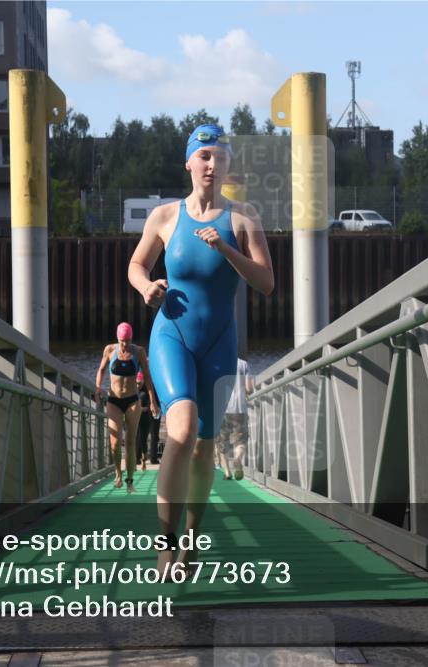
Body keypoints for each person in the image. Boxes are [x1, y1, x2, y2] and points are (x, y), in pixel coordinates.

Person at [128, 124, 274, 574]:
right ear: (188, 162)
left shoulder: (243, 217)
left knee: (204, 445)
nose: (212, 165)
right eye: (204, 156)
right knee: (182, 428)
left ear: (228, 166)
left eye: (220, 157)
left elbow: (266, 283)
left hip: (219, 343)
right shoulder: (165, 216)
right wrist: (145, 287)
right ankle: (165, 542)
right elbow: (136, 264)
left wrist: (226, 250)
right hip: (171, 334)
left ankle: (191, 539)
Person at [94, 322, 157, 493]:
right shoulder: (109, 350)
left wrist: (152, 401)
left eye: (128, 341)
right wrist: (98, 387)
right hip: (114, 400)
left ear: (131, 338)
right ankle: (118, 473)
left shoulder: (139, 352)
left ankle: (129, 480)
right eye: (122, 341)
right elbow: (101, 370)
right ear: (117, 338)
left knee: (130, 442)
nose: (125, 344)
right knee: (115, 443)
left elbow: (147, 377)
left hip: (132, 401)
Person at [216, 357, 254, 481]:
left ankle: (227, 473)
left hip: (221, 409)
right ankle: (237, 459)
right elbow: (249, 389)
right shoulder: (243, 364)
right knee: (240, 441)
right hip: (240, 409)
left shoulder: (217, 362)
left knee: (222, 443)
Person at [136, 371, 162, 468]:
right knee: (153, 435)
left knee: (141, 435)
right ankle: (153, 458)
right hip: (153, 409)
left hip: (146, 410)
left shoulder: (142, 385)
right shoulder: (156, 380)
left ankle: (138, 458)